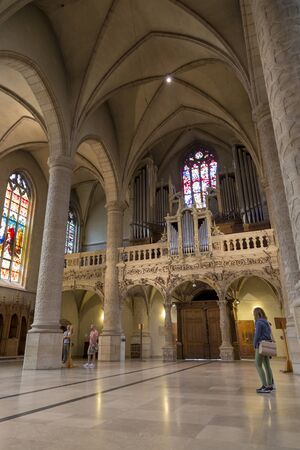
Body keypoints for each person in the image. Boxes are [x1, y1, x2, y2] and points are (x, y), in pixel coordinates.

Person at [253, 307, 274, 394]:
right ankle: (270, 385)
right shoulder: (266, 322)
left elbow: (257, 335)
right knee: (267, 365)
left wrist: (254, 344)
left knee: (258, 364)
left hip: (261, 344)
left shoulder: (258, 322)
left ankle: (264, 386)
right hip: (267, 344)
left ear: (255, 314)